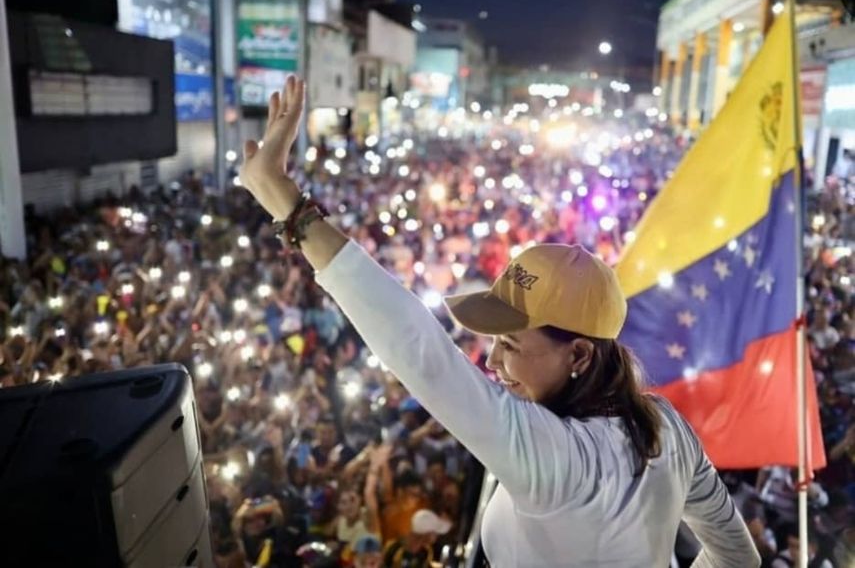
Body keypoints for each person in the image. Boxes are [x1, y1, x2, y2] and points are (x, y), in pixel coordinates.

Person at [239, 76, 761, 566]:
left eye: (510, 343)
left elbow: (417, 346)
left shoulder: (556, 455)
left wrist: (288, 204)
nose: (491, 361)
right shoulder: (667, 426)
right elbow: (739, 556)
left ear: (578, 353)